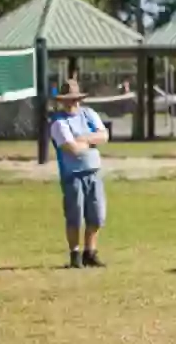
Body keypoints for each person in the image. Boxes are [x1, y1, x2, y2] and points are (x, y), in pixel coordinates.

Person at [48, 79, 110, 268]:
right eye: (68, 100)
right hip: (72, 174)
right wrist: (91, 141)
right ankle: (75, 254)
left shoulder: (89, 114)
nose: (72, 103)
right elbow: (71, 148)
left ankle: (89, 252)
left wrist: (84, 139)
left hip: (94, 171)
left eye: (75, 99)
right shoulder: (58, 122)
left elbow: (104, 136)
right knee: (75, 216)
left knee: (97, 215)